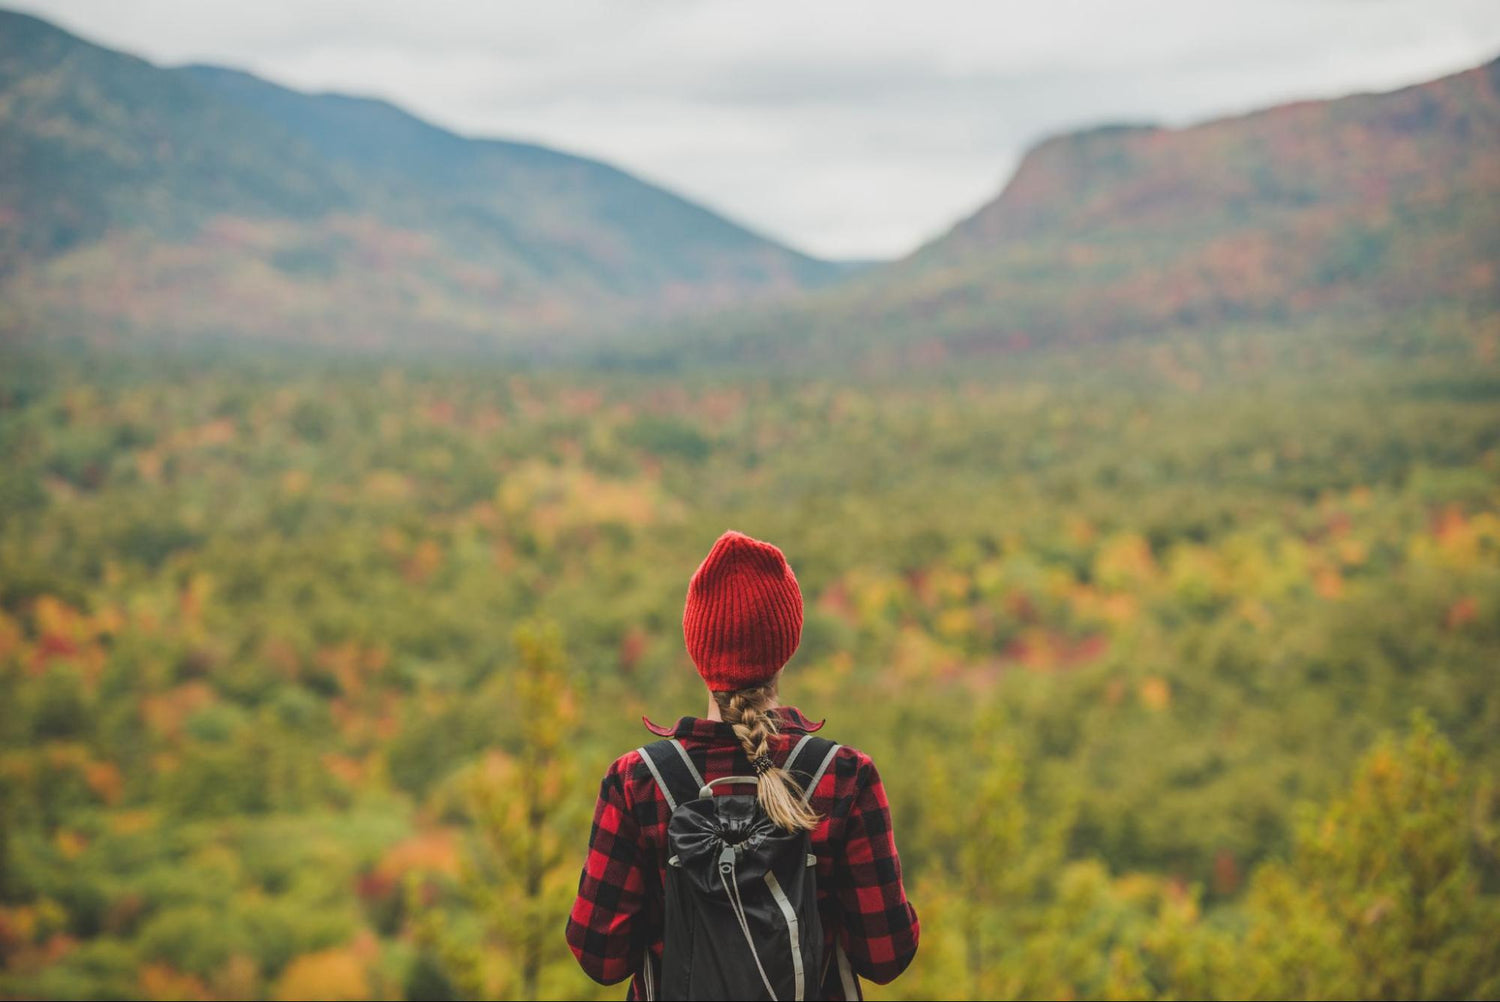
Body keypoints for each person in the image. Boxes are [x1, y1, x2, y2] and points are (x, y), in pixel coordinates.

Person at [566, 529, 920, 1000]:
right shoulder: (844, 777)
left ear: (697, 650)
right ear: (787, 643)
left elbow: (600, 955)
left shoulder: (636, 784)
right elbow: (886, 955)